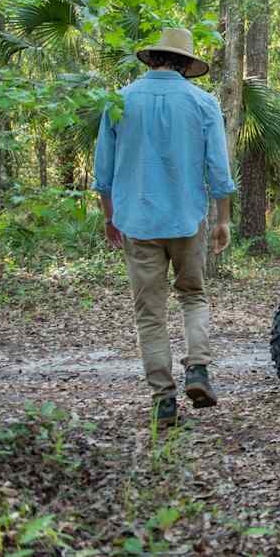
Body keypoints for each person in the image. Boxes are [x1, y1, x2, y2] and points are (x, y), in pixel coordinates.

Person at [93, 27, 237, 427]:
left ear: (153, 58)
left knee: (150, 313)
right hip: (188, 218)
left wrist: (109, 216)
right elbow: (219, 170)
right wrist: (223, 218)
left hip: (137, 221)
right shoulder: (203, 102)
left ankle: (163, 400)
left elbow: (102, 172)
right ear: (185, 64)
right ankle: (198, 370)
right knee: (193, 296)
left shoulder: (119, 101)